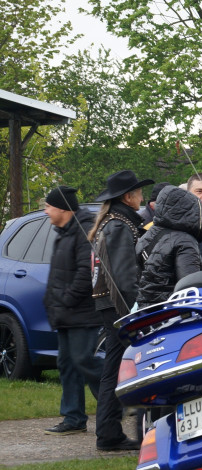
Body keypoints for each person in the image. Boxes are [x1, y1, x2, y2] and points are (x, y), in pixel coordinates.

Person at [89, 170, 153, 451]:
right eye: (138, 192)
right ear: (128, 197)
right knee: (119, 368)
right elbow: (124, 277)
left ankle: (109, 432)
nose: (142, 197)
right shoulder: (119, 225)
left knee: (114, 368)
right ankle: (111, 432)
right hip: (118, 306)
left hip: (111, 304)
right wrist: (135, 311)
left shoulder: (115, 221)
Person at [41, 187, 102, 436]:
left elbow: (85, 274)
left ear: (63, 209)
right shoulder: (63, 232)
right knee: (66, 363)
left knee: (84, 359)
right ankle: (73, 418)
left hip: (81, 312)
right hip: (65, 313)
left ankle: (116, 401)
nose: (46, 211)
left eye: (48, 206)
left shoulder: (83, 232)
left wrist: (66, 299)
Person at [135, 186, 202, 308]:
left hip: (144, 312)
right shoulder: (185, 240)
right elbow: (190, 287)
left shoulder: (145, 236)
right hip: (172, 313)